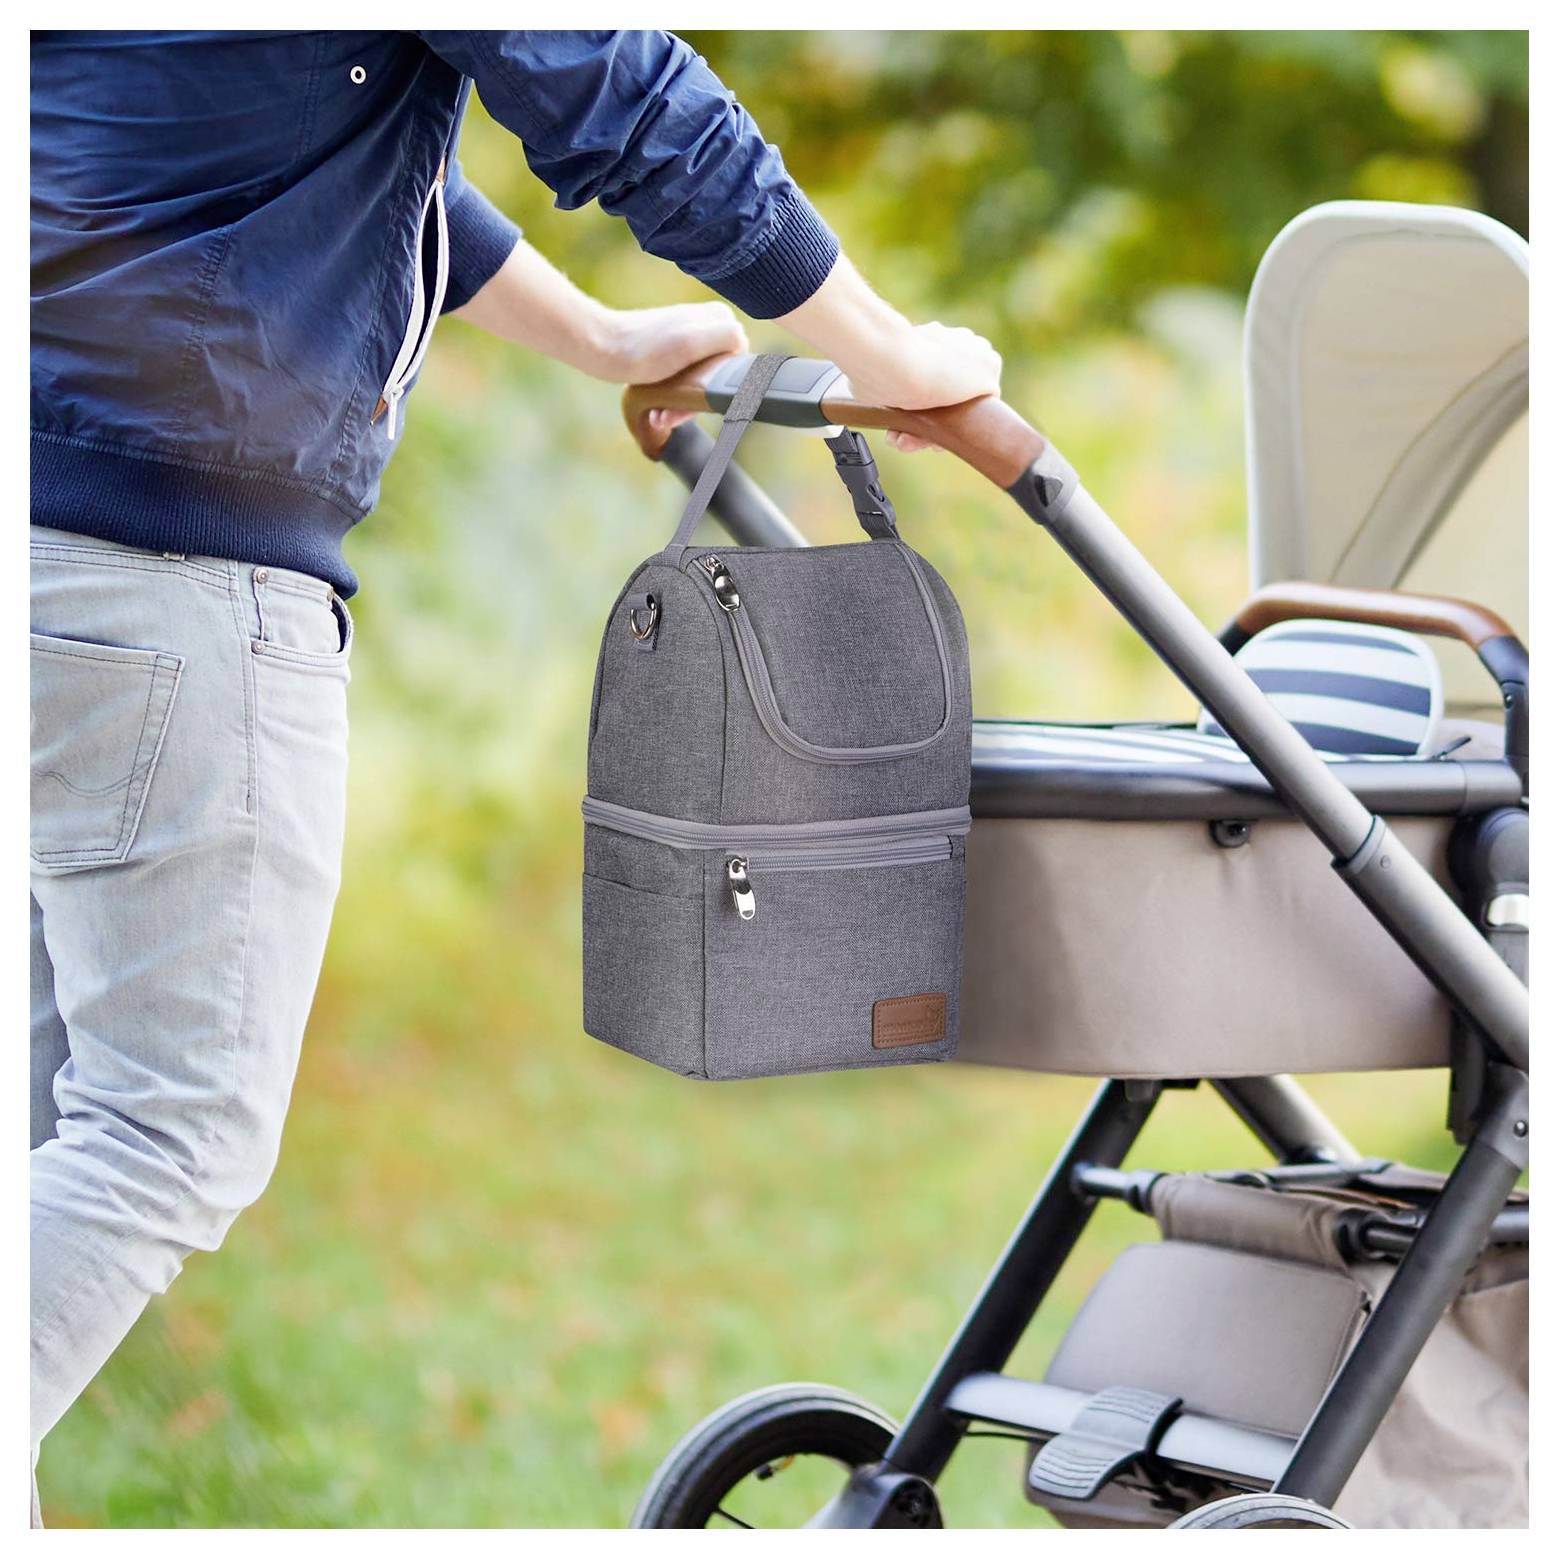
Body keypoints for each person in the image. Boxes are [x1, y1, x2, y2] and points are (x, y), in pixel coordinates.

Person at [28, 29, 1000, 1515]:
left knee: (57, 1134)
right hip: (175, 563)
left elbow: (319, 145)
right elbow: (620, 92)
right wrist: (897, 357)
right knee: (169, 1130)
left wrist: (606, 339)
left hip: (52, 546)